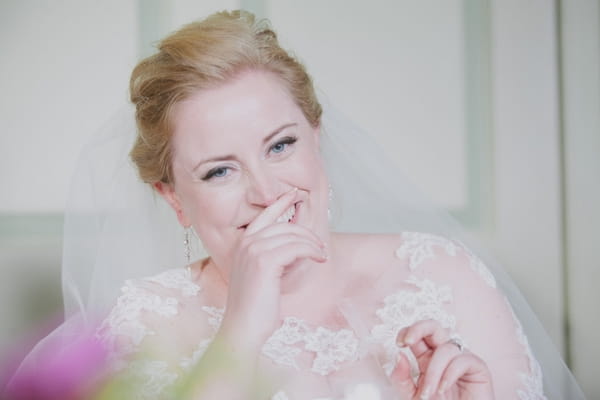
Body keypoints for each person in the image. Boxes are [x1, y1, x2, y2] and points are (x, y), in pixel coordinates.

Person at [7, 9, 584, 400]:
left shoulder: (441, 273)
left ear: (317, 138)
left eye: (280, 144)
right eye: (219, 170)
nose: (266, 191)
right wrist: (241, 328)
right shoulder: (144, 322)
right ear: (174, 200)